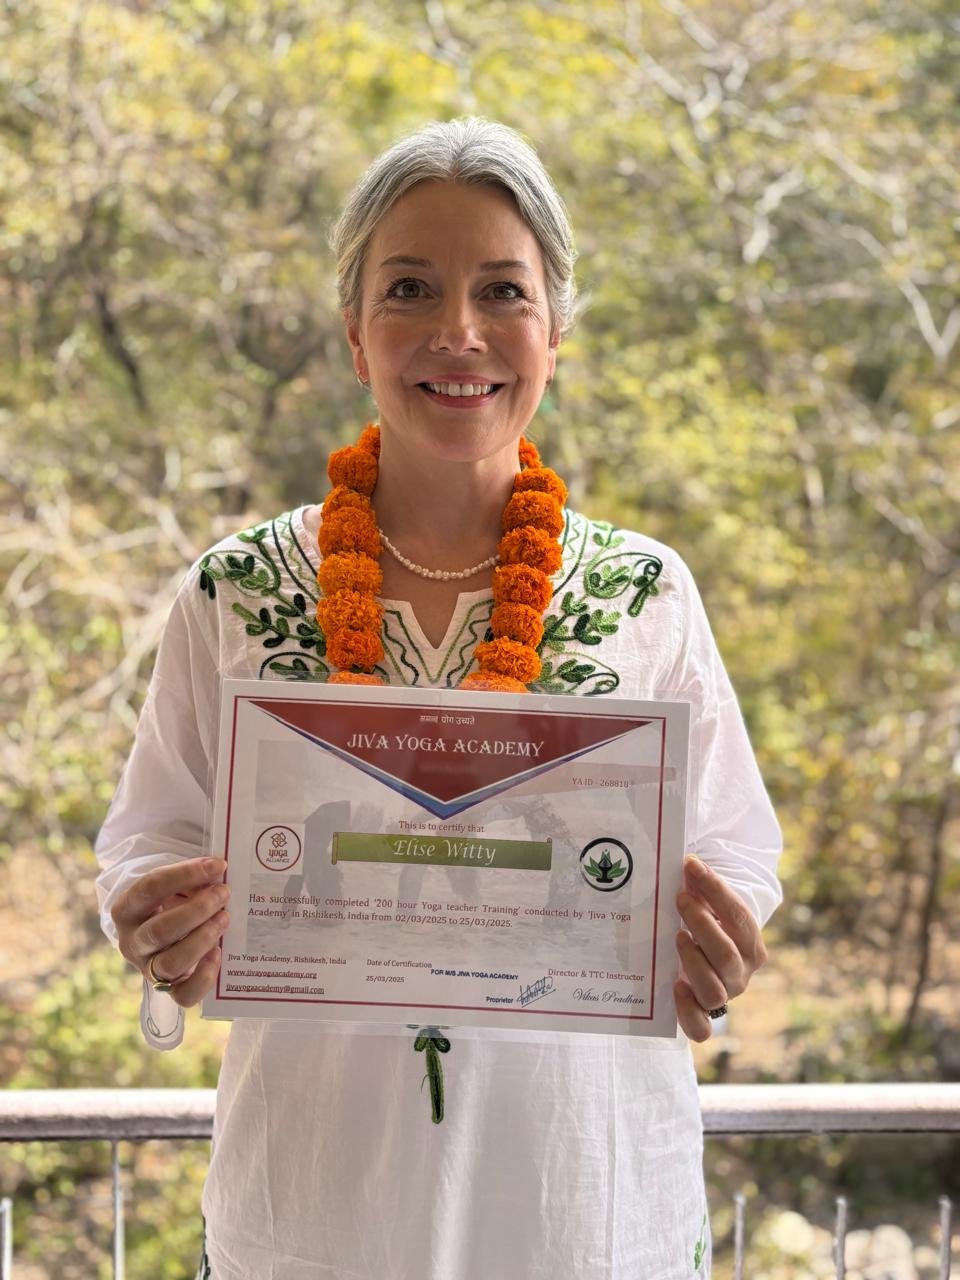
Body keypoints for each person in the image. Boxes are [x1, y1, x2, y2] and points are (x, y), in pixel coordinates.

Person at [95, 116, 782, 1280]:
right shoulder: (236, 590)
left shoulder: (646, 592)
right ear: (354, 331)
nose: (459, 332)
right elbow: (147, 839)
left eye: (503, 290)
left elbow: (738, 851)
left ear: (555, 329)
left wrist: (718, 937)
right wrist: (156, 920)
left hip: (581, 1212)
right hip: (315, 1211)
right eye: (410, 287)